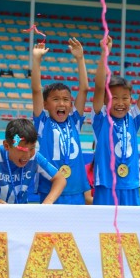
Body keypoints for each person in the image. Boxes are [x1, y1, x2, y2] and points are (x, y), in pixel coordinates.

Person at [91, 36, 140, 205]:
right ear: (105, 99)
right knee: (104, 223)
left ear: (131, 99)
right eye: (114, 97)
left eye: (125, 98)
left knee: (132, 223)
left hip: (130, 185)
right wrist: (105, 53)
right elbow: (99, 87)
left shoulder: (133, 118)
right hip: (106, 185)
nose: (120, 103)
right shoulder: (101, 118)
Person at [31, 38, 90, 204]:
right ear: (45, 105)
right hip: (50, 188)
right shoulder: (42, 123)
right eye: (55, 99)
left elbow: (84, 89)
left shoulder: (75, 121)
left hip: (76, 189)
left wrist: (80, 58)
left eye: (66, 99)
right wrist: (36, 60)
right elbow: (36, 91)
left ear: (71, 104)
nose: (62, 103)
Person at [0, 119, 66, 204]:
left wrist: (48, 202)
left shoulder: (35, 157)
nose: (27, 155)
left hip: (19, 212)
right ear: (7, 146)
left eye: (32, 148)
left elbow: (60, 179)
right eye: (22, 150)